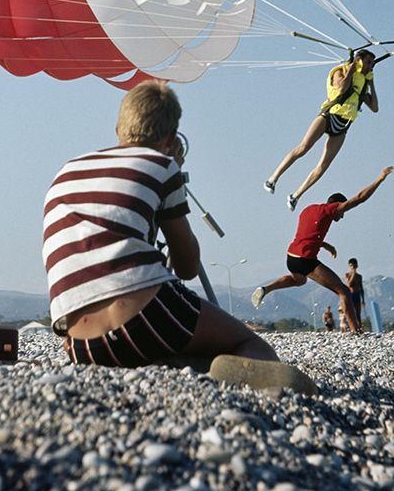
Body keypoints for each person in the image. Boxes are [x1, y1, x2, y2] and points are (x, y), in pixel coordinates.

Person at [43, 80, 280, 372]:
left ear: (119, 128)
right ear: (171, 137)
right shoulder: (162, 166)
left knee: (157, 348)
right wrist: (175, 171)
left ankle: (181, 363)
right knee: (255, 347)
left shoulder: (67, 170)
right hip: (146, 318)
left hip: (81, 344)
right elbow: (187, 267)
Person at [251, 166, 394, 332]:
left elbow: (308, 234)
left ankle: (266, 289)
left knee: (299, 281)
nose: (341, 217)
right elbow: (360, 198)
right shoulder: (331, 209)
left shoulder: (309, 209)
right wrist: (380, 179)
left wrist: (325, 245)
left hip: (291, 256)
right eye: (342, 212)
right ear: (339, 205)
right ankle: (356, 331)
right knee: (343, 291)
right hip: (305, 259)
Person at [264, 50, 379, 211]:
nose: (371, 66)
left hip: (343, 126)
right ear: (359, 60)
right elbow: (341, 89)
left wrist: (371, 82)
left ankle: (295, 195)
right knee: (303, 148)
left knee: (323, 165)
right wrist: (352, 69)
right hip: (329, 116)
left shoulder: (363, 83)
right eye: (368, 62)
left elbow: (375, 108)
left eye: (373, 64)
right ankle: (272, 179)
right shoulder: (341, 71)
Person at [344, 257, 365, 330]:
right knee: (351, 313)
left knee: (358, 313)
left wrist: (363, 299)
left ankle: (359, 328)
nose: (353, 267)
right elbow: (349, 284)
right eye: (351, 266)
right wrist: (353, 273)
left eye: (354, 266)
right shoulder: (347, 275)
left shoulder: (359, 276)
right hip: (351, 295)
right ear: (349, 266)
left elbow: (361, 288)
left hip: (357, 295)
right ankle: (351, 327)